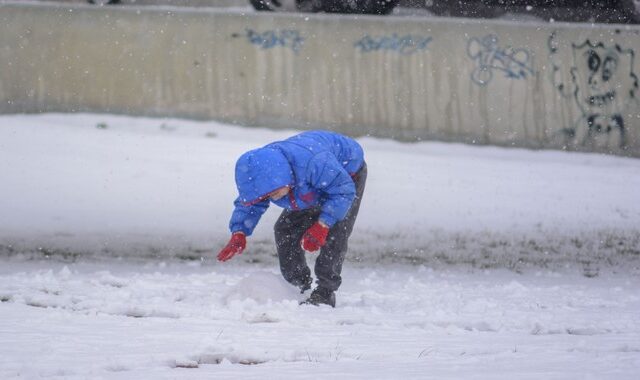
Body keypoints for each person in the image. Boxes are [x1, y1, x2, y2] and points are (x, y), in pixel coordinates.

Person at [216, 130, 367, 307]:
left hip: (345, 178)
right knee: (285, 228)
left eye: (274, 193)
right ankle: (298, 285)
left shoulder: (316, 163)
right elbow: (250, 203)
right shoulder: (264, 170)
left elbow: (343, 191)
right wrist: (239, 231)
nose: (273, 198)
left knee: (335, 233)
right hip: (306, 185)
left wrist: (323, 225)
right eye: (268, 195)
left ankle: (325, 292)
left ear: (285, 177)